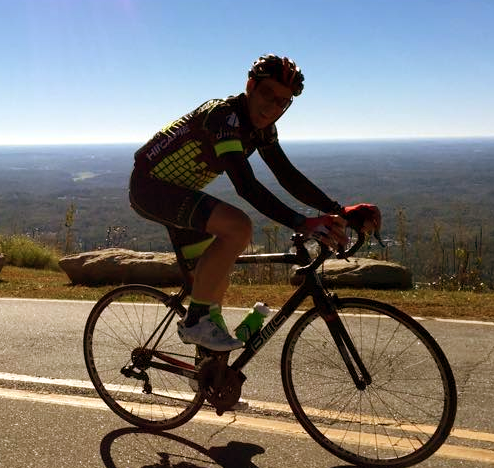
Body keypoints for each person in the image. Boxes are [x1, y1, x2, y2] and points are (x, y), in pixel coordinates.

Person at [129, 54, 380, 352]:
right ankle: (195, 322)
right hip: (150, 189)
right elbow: (246, 187)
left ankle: (213, 382)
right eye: (267, 95)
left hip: (179, 193)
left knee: (214, 287)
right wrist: (303, 222)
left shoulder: (262, 128)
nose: (272, 107)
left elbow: (286, 175)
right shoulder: (224, 116)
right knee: (238, 227)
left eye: (282, 103)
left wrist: (338, 211)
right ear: (250, 85)